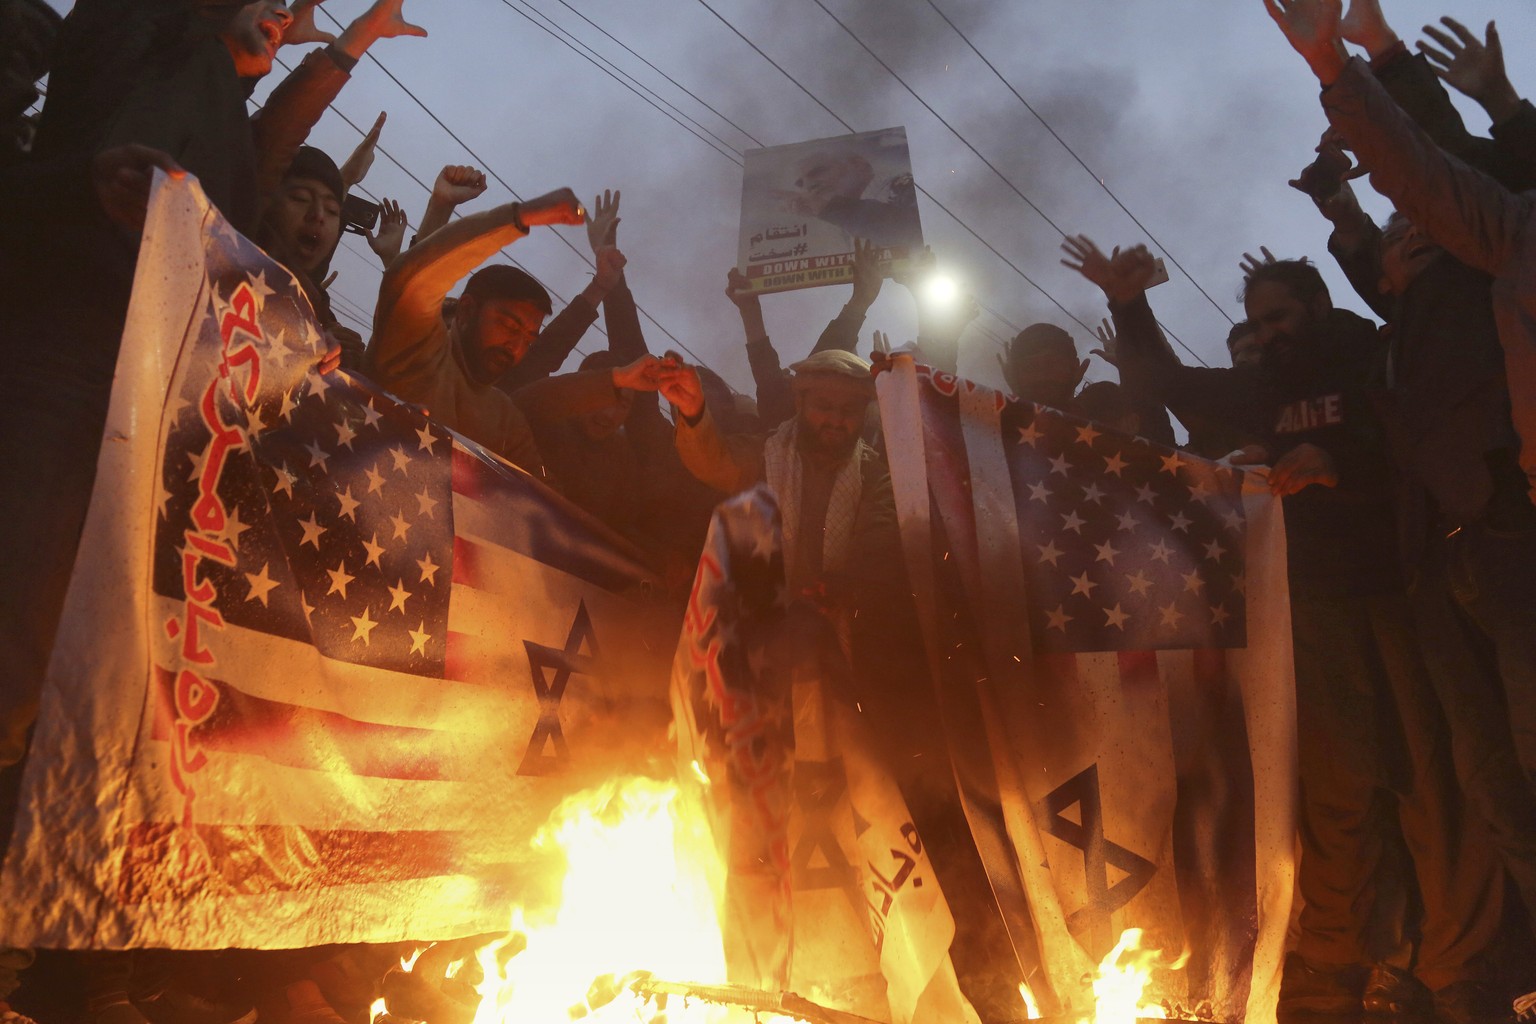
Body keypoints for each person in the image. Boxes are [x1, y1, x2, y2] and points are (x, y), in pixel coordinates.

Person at [1078, 237, 1504, 1021]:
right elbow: (1169, 387)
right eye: (1256, 322)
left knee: (1431, 782)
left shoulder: (1372, 361)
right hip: (1311, 609)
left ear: (1315, 306)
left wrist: (1342, 466)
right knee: (1338, 792)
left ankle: (1457, 973)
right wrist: (1130, 305)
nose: (1270, 334)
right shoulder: (1262, 390)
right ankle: (1333, 966)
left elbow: (1422, 446)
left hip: (1405, 596)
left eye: (1280, 316)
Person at [365, 188, 661, 480]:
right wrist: (520, 217)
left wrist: (602, 287)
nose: (516, 346)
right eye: (508, 327)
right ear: (467, 311)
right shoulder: (413, 351)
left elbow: (539, 501)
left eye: (529, 339)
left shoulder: (506, 419)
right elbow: (416, 279)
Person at [726, 237, 884, 430]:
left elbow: (770, 375)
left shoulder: (785, 426)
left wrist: (750, 311)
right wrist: (859, 303)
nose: (787, 374)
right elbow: (817, 364)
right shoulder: (785, 429)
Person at [772, 147, 921, 248]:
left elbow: (913, 232)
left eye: (817, 172)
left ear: (858, 164)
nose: (808, 185)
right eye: (800, 183)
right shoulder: (844, 220)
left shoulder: (904, 187)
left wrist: (830, 209)